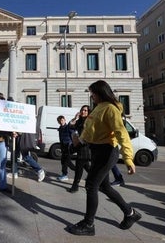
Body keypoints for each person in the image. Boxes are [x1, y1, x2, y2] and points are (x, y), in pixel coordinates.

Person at [68, 80, 141, 236]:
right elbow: (90, 131)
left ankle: (88, 224)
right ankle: (130, 213)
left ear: (100, 93)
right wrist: (79, 141)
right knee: (104, 186)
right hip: (97, 151)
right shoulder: (98, 109)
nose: (91, 96)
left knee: (91, 185)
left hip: (107, 152)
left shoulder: (110, 109)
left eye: (93, 93)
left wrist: (128, 158)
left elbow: (122, 133)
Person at [67, 105, 91, 193]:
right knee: (87, 167)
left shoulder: (89, 121)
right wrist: (75, 118)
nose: (83, 112)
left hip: (85, 147)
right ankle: (99, 181)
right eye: (82, 110)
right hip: (79, 146)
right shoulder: (79, 121)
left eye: (85, 110)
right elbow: (70, 126)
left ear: (88, 112)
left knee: (79, 168)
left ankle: (75, 186)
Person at [57, 115, 75, 181]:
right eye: (59, 121)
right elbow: (60, 138)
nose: (61, 122)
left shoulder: (68, 127)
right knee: (64, 161)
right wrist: (61, 147)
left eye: (62, 120)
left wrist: (72, 145)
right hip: (63, 147)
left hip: (68, 147)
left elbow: (73, 136)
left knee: (66, 162)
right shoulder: (60, 128)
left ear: (64, 120)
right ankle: (65, 174)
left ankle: (65, 175)